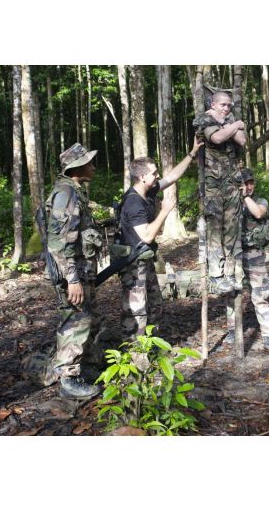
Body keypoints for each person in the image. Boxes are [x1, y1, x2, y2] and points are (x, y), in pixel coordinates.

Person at [22, 143, 104, 400]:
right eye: (89, 162)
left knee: (85, 319)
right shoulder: (66, 194)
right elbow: (59, 243)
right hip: (73, 274)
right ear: (77, 168)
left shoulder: (75, 192)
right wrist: (72, 279)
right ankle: (69, 379)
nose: (93, 166)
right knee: (75, 322)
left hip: (80, 271)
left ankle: (84, 369)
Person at [119, 139, 201, 341]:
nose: (157, 176)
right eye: (154, 173)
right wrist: (164, 211)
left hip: (145, 260)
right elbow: (146, 235)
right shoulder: (133, 203)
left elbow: (172, 177)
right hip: (133, 264)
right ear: (142, 176)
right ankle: (135, 354)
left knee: (155, 306)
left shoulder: (148, 190)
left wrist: (192, 153)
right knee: (137, 312)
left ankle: (152, 348)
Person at [193, 91, 246, 294]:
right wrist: (234, 125)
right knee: (214, 231)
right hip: (213, 185)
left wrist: (229, 125)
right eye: (223, 105)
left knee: (231, 229)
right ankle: (216, 276)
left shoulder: (228, 118)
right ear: (213, 104)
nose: (227, 108)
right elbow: (216, 138)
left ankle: (230, 274)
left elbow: (241, 140)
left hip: (232, 182)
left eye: (229, 106)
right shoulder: (204, 119)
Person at [225, 169, 269, 350]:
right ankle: (232, 330)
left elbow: (259, 213)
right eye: (245, 183)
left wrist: (245, 197)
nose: (249, 186)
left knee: (260, 296)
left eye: (251, 182)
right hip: (234, 256)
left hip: (254, 255)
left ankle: (268, 334)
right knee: (231, 294)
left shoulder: (260, 201)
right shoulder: (231, 204)